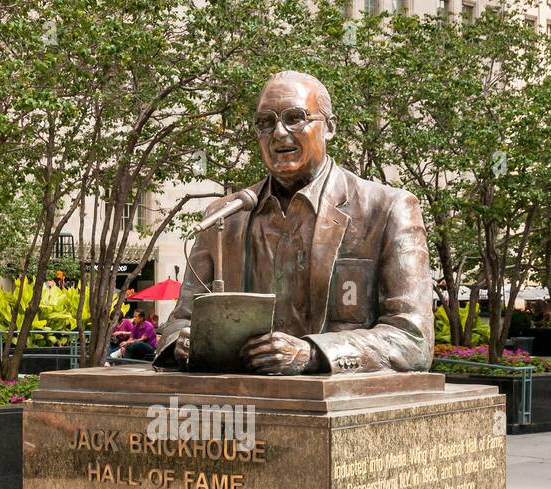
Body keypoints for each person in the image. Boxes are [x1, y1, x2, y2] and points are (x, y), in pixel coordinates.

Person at [155, 70, 434, 374]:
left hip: (336, 406)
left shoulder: (387, 209)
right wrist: (181, 342)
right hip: (239, 403)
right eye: (265, 123)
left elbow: (412, 339)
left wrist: (313, 354)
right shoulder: (225, 217)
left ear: (329, 128)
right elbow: (179, 321)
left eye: (295, 118)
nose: (278, 133)